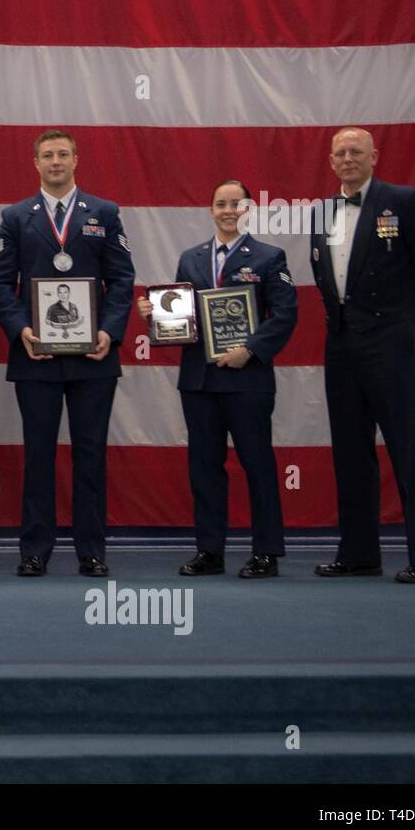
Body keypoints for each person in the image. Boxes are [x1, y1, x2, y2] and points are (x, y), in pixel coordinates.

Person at [0, 130, 135, 577]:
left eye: (63, 154)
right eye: (47, 155)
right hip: (36, 356)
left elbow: (122, 280)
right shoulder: (15, 217)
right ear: (35, 163)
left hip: (94, 357)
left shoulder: (104, 213)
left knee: (91, 454)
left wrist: (109, 331)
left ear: (76, 160)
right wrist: (22, 330)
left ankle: (92, 550)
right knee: (38, 455)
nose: (55, 161)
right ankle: (35, 549)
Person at [310, 127, 415, 582]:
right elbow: (326, 278)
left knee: (410, 451)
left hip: (391, 344)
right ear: (331, 161)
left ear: (375, 156)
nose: (348, 158)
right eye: (340, 153)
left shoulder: (407, 201)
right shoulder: (322, 211)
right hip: (342, 346)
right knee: (350, 454)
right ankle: (358, 553)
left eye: (356, 151)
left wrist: (411, 327)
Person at [136, 180, 297, 578]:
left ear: (248, 209)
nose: (228, 210)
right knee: (204, 468)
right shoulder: (191, 258)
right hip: (200, 381)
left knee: (257, 465)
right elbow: (181, 320)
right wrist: (155, 316)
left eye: (236, 204)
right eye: (220, 204)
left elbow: (285, 313)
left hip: (248, 380)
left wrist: (251, 350)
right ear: (210, 210)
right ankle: (209, 550)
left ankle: (266, 552)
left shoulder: (269, 257)